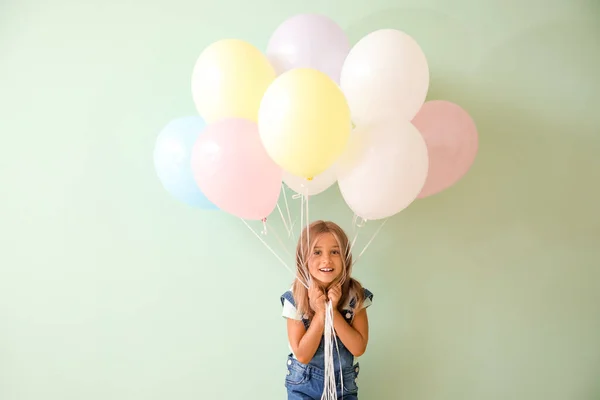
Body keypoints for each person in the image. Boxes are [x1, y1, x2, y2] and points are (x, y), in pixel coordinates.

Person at [280, 220, 373, 400]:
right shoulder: (295, 297)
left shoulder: (355, 296)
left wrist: (332, 312)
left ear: (345, 256)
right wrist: (320, 313)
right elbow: (303, 355)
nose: (326, 259)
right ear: (303, 257)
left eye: (335, 252)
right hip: (302, 386)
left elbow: (358, 348)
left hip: (343, 387)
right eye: (317, 252)